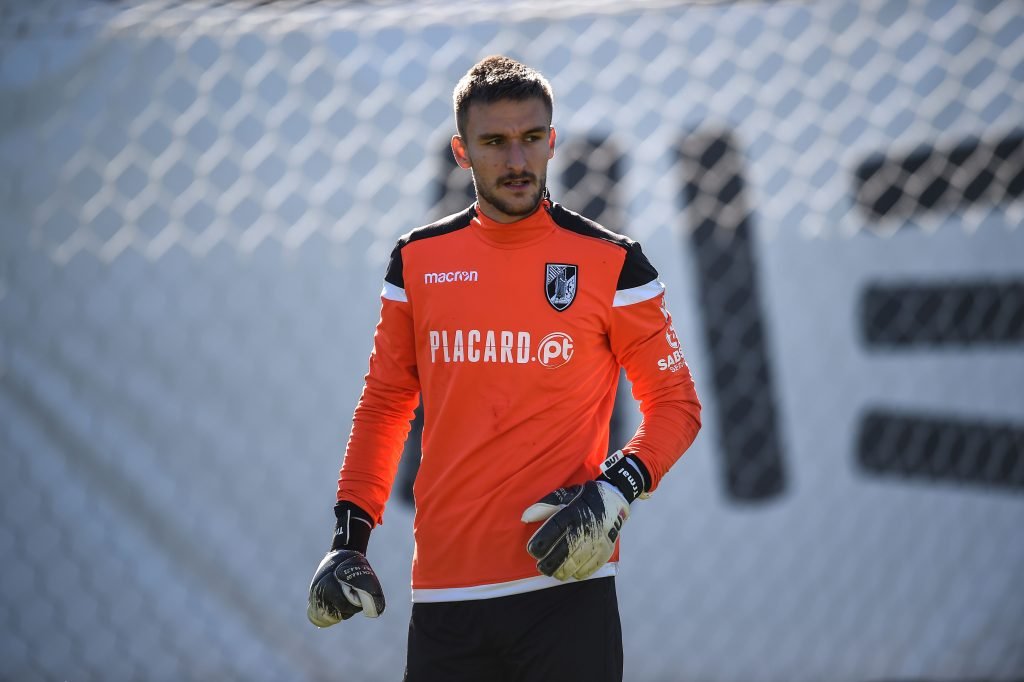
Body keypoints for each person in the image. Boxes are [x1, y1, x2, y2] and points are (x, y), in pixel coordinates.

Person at [307, 55, 701, 682]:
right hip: (445, 595)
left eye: (531, 138)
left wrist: (615, 490)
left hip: (565, 588)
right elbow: (385, 406)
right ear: (461, 152)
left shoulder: (613, 261)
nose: (517, 160)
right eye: (494, 142)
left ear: (553, 141)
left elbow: (677, 404)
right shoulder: (417, 260)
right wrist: (348, 540)